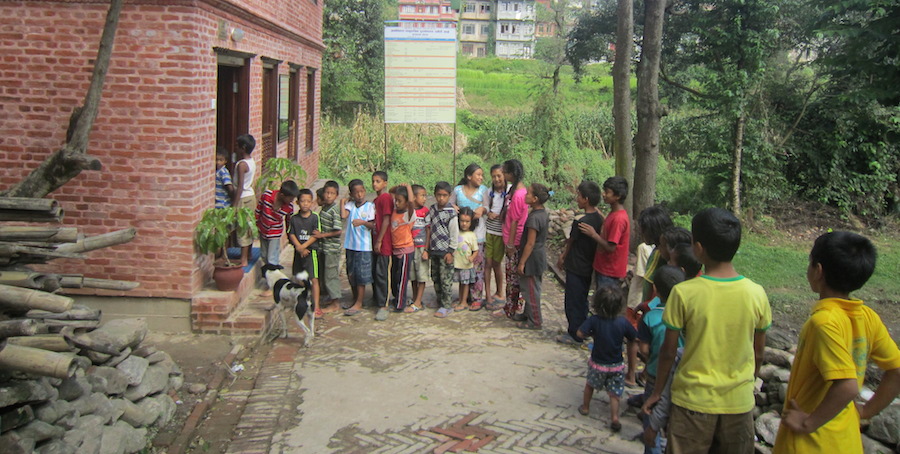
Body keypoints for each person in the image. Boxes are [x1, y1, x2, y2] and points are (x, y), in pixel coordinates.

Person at [642, 207, 772, 454]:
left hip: (692, 402)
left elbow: (668, 352)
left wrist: (657, 392)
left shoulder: (684, 293)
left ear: (698, 248)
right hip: (739, 405)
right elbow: (758, 352)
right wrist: (750, 380)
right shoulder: (756, 293)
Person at [773, 231, 900, 454]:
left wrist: (807, 423)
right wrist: (866, 411)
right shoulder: (867, 317)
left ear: (818, 271)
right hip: (846, 441)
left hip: (811, 445)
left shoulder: (824, 323)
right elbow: (896, 370)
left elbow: (848, 386)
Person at [637, 265, 685, 454]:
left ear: (655, 289)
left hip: (656, 376)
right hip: (679, 377)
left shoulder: (650, 317)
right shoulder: (686, 316)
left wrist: (651, 358)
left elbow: (643, 349)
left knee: (652, 418)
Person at [577, 285, 637, 432]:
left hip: (598, 363)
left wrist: (591, 334)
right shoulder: (622, 322)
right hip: (616, 365)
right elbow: (634, 337)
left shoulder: (594, 320)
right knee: (614, 393)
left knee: (590, 385)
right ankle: (615, 417)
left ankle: (585, 407)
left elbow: (579, 333)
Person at [557, 180, 604, 344]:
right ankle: (583, 329)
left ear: (586, 199)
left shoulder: (580, 220)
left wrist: (563, 256)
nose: (576, 198)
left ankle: (574, 333)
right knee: (582, 298)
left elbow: (571, 241)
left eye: (579, 195)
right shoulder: (599, 219)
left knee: (572, 300)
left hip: (576, 263)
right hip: (588, 264)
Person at [579, 176, 630, 291]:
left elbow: (611, 247)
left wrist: (593, 234)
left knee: (604, 303)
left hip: (609, 271)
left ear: (617, 196)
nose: (604, 194)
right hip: (604, 268)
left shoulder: (619, 219)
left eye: (607, 192)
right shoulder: (614, 213)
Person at [450, 164, 488, 310]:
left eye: (481, 175)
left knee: (477, 268)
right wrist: (452, 206)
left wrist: (483, 208)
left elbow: (487, 206)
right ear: (468, 176)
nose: (481, 177)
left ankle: (477, 297)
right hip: (460, 236)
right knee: (462, 266)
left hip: (477, 235)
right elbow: (449, 202)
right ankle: (463, 297)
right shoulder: (458, 190)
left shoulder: (483, 190)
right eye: (478, 174)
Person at [495, 159, 527, 319]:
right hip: (512, 238)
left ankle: (510, 308)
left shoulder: (519, 195)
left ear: (511, 174)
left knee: (512, 277)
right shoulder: (515, 191)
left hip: (514, 241)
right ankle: (515, 305)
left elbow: (515, 221)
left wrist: (510, 244)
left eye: (505, 172)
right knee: (514, 277)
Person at [515, 183, 550, 330]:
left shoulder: (534, 219)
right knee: (530, 287)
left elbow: (530, 243)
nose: (525, 195)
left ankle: (535, 320)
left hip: (532, 258)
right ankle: (528, 314)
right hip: (538, 256)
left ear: (535, 199)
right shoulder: (542, 214)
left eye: (528, 193)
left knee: (530, 290)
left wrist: (522, 262)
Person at [341, 179, 375, 317]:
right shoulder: (350, 205)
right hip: (350, 245)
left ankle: (359, 302)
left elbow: (373, 225)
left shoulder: (370, 207)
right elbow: (343, 215)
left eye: (362, 191)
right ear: (352, 194)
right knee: (351, 274)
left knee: (361, 276)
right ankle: (355, 299)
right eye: (356, 193)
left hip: (364, 246)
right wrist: (343, 201)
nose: (360, 195)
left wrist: (362, 222)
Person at [425, 181, 458, 318]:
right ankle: (439, 300)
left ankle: (447, 305)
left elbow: (454, 234)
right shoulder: (432, 209)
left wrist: (450, 251)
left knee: (446, 280)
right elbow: (428, 227)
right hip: (434, 250)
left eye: (444, 195)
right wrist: (427, 249)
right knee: (436, 277)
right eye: (439, 195)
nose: (441, 198)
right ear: (434, 195)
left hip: (445, 252)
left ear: (449, 196)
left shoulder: (451, 213)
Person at [288, 189, 321, 315]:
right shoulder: (294, 218)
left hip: (311, 252)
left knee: (314, 279)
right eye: (302, 201)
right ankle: (299, 302)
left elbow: (315, 235)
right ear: (297, 202)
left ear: (312, 203)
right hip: (298, 252)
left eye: (308, 201)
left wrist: (304, 246)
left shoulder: (314, 217)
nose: (305, 204)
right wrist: (299, 247)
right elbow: (291, 234)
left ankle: (316, 306)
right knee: (298, 277)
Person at [255, 180, 299, 273]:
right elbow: (258, 209)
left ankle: (272, 279)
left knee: (272, 257)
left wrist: (289, 235)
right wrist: (256, 224)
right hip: (263, 230)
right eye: (290, 198)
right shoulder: (267, 196)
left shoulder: (289, 207)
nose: (292, 201)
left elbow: (288, 221)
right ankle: (268, 273)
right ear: (282, 195)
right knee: (264, 255)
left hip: (275, 233)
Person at [313, 181, 343, 311]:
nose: (329, 196)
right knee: (325, 274)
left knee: (331, 275)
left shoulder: (334, 211)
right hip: (324, 248)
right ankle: (330, 297)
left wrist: (322, 235)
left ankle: (335, 303)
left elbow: (338, 231)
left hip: (332, 249)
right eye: (327, 193)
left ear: (336, 195)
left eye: (332, 193)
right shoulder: (324, 208)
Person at [483, 165, 508, 310]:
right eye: (494, 176)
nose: (497, 179)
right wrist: (488, 213)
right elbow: (486, 207)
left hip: (500, 233)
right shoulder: (489, 191)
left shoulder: (509, 192)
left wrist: (499, 215)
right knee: (488, 263)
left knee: (496, 264)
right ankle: (488, 294)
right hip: (489, 231)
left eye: (499, 175)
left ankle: (500, 292)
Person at [388, 183, 416, 314]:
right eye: (396, 200)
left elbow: (411, 201)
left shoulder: (408, 214)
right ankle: (396, 298)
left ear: (405, 203)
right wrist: (399, 187)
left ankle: (400, 304)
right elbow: (390, 191)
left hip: (405, 250)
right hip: (395, 250)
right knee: (394, 277)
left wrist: (408, 187)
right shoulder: (394, 211)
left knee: (402, 279)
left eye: (399, 201)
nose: (397, 203)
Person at [371, 171, 393, 322]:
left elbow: (386, 219)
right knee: (376, 272)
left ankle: (384, 305)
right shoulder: (375, 199)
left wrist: (379, 240)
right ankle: (377, 300)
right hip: (376, 240)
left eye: (378, 181)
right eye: (373, 181)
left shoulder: (385, 198)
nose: (374, 184)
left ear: (385, 183)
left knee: (383, 273)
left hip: (384, 242)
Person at [232, 134, 257, 266]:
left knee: (242, 228)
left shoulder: (241, 164)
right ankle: (249, 253)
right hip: (251, 196)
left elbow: (240, 186)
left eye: (237, 146)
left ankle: (243, 259)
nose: (235, 148)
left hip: (242, 197)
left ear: (243, 147)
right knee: (249, 225)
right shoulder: (252, 162)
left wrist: (235, 204)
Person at [406, 184, 430, 313]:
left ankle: (418, 302)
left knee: (421, 276)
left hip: (421, 248)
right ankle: (415, 299)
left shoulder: (425, 211)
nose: (425, 198)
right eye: (422, 195)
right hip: (410, 247)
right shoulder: (409, 210)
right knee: (413, 276)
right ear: (414, 197)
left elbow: (428, 230)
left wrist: (426, 249)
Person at [452, 207, 479, 312]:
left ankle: (464, 302)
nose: (464, 224)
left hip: (466, 265)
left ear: (471, 222)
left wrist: (472, 257)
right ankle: (460, 299)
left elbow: (475, 250)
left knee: (465, 283)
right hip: (458, 263)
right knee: (460, 283)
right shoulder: (456, 232)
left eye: (467, 221)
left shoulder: (472, 235)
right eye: (462, 221)